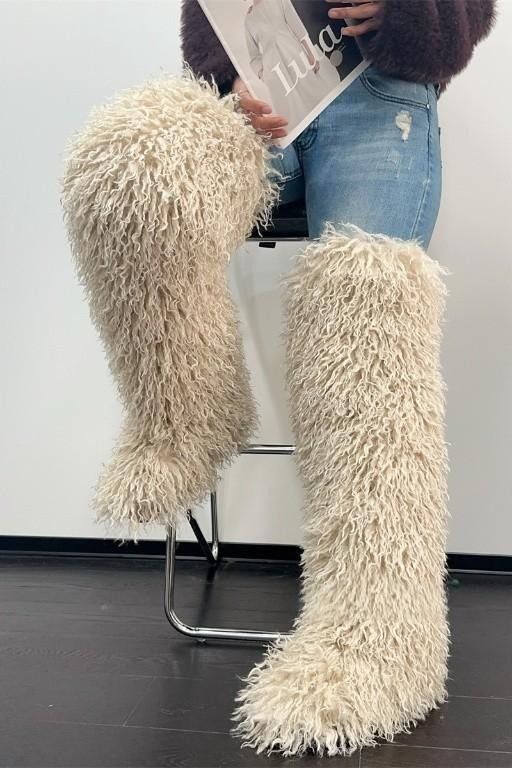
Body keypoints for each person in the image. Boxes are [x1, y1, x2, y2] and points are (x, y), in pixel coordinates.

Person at [180, 0, 497, 246]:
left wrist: (404, 7)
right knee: (161, 192)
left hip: (377, 95)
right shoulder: (253, 17)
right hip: (270, 101)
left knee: (358, 285)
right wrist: (232, 80)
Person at [244, 0, 340, 128]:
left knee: (313, 92)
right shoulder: (248, 20)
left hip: (294, 54)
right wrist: (264, 75)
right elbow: (253, 57)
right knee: (294, 110)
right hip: (275, 71)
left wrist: (310, 53)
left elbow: (297, 26)